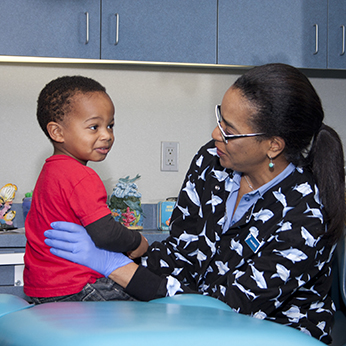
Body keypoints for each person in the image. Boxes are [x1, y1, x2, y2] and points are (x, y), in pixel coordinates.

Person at [44, 64, 345, 344]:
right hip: (196, 318)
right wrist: (126, 255)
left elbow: (225, 306)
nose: (216, 134)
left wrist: (116, 267)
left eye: (230, 130)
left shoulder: (305, 215)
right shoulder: (211, 163)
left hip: (271, 334)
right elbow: (181, 253)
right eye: (219, 119)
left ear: (273, 145)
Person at [24, 76, 148, 303]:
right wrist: (137, 242)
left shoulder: (50, 172)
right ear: (57, 132)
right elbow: (105, 233)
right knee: (149, 308)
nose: (107, 135)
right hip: (80, 288)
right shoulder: (81, 175)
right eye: (94, 127)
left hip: (42, 290)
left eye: (110, 125)